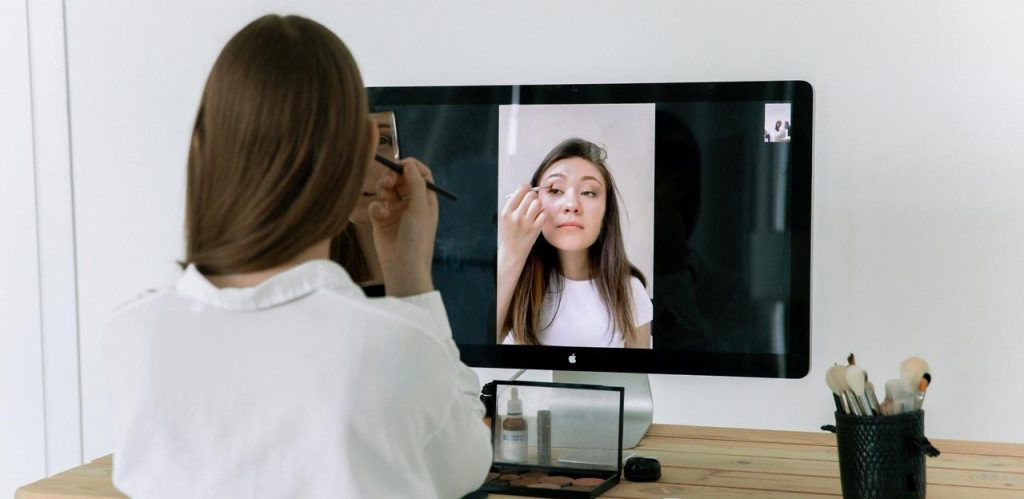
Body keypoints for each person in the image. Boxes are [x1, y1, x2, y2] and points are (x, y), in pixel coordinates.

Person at [102, 15, 491, 498]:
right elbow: (466, 466)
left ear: (204, 146)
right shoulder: (395, 346)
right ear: (367, 147)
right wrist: (411, 279)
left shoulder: (131, 336)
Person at [496, 138, 652, 348]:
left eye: (588, 192)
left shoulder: (629, 290)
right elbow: (469, 353)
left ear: (606, 212)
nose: (571, 205)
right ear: (533, 201)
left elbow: (636, 378)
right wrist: (511, 251)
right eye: (555, 190)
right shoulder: (515, 280)